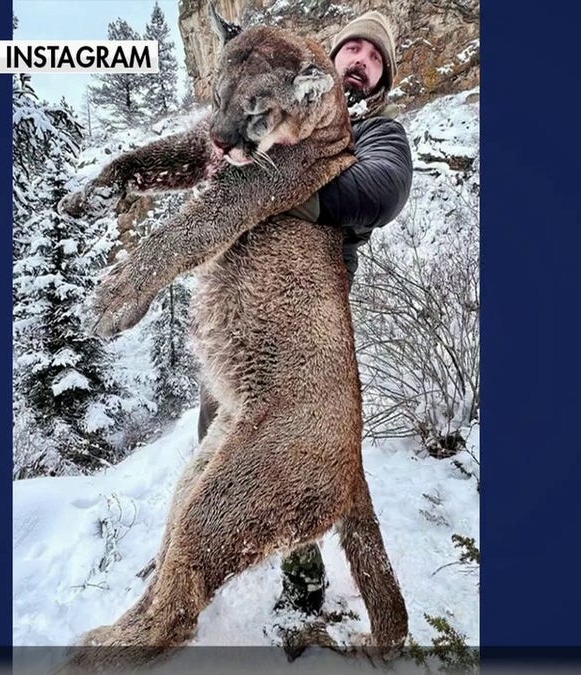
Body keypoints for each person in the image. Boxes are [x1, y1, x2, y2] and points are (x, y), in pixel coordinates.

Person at [196, 10, 415, 615]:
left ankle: (304, 578)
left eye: (375, 61)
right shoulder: (283, 102)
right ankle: (196, 553)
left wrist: (282, 195)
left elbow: (381, 190)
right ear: (331, 53)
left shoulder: (377, 132)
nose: (363, 64)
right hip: (241, 305)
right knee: (214, 430)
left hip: (305, 320)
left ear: (381, 78)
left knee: (300, 454)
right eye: (356, 50)